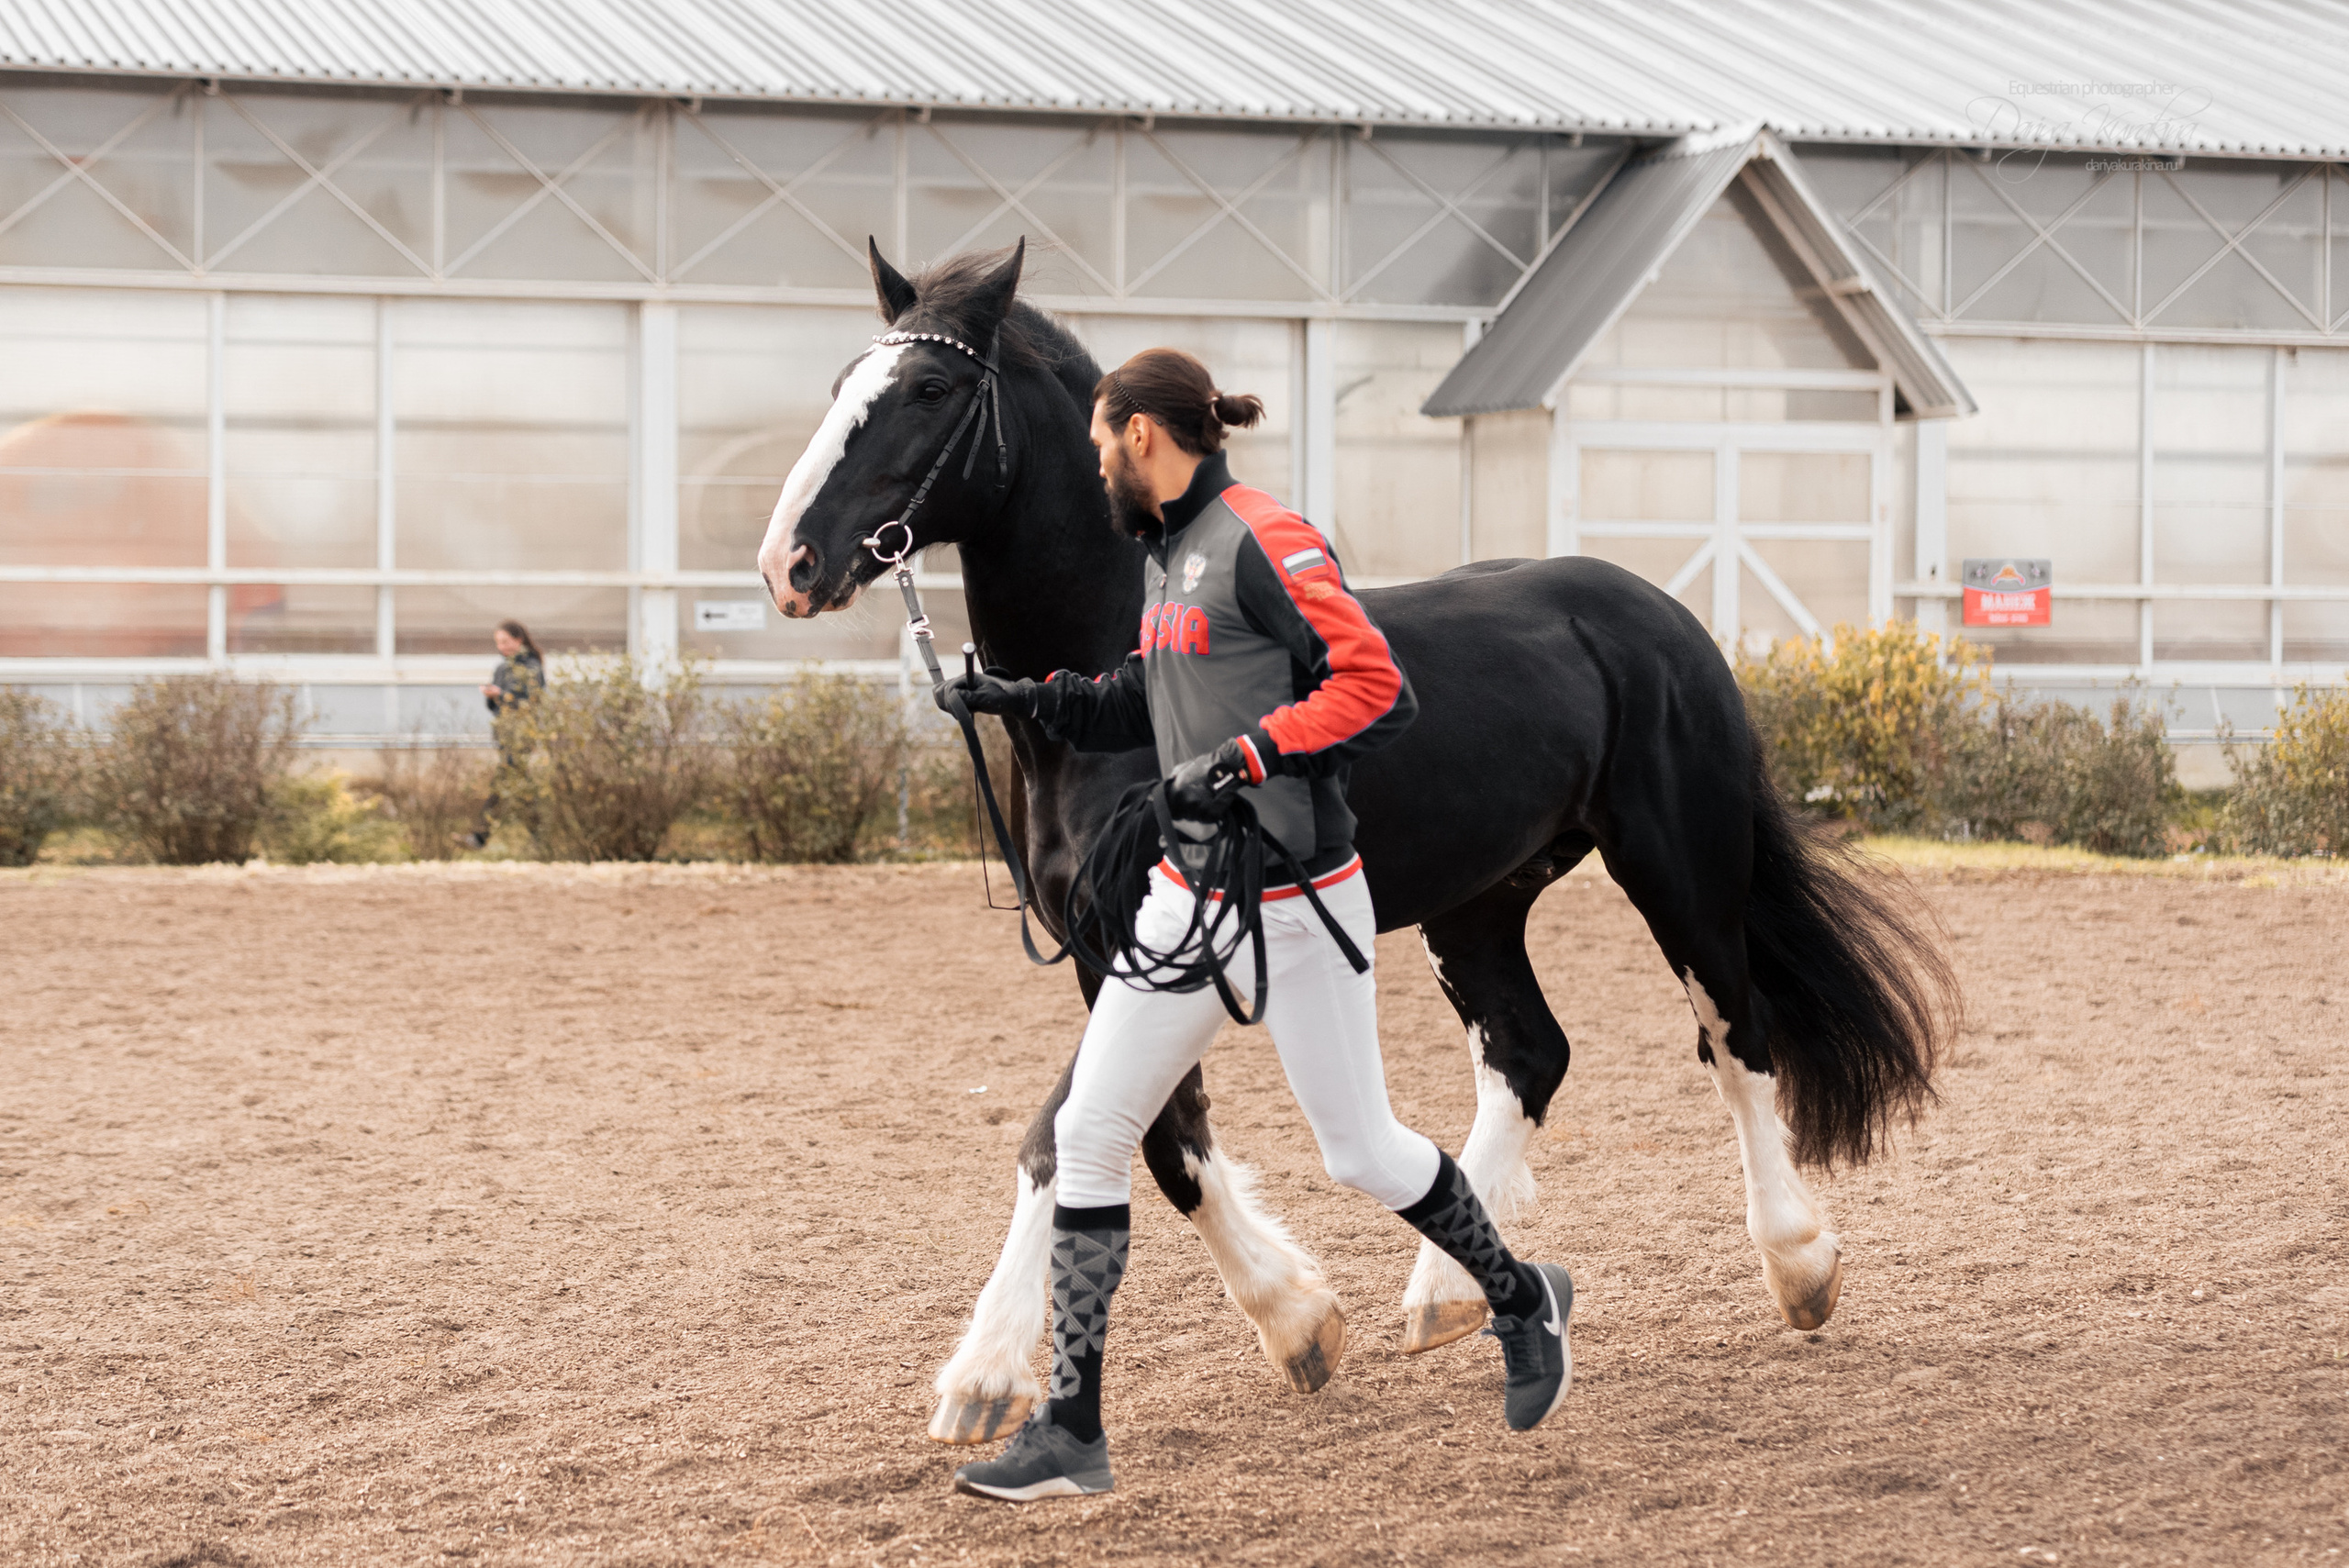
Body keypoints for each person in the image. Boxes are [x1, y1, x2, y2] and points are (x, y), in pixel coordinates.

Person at [941, 349, 1573, 1504]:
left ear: (1141, 436)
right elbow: (1143, 696)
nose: (1093, 465)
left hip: (1294, 896)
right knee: (1090, 1130)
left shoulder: (1264, 538)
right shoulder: (1166, 554)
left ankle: (1524, 1297)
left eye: (1099, 443)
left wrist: (1243, 758)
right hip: (1188, 894)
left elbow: (1376, 686)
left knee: (1360, 1150)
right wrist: (1019, 700)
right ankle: (1072, 1431)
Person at [454, 619, 542, 851]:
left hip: (522, 735)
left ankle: (480, 838)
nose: (501, 647)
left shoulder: (532, 667)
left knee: (505, 783)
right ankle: (541, 837)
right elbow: (496, 707)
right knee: (520, 785)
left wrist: (502, 695)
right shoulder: (502, 668)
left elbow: (532, 702)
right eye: (498, 643)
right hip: (504, 735)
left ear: (518, 640)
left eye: (505, 641)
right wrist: (492, 696)